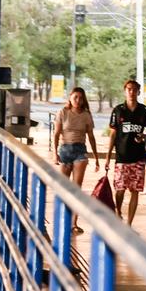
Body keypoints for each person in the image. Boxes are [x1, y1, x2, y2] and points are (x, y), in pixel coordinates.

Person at [105, 80, 146, 225]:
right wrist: (109, 156)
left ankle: (129, 224)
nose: (131, 92)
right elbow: (113, 134)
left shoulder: (144, 111)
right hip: (121, 157)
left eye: (135, 90)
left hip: (139, 158)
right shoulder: (118, 110)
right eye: (129, 89)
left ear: (139, 92)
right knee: (120, 189)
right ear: (124, 91)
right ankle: (118, 211)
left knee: (135, 191)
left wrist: (144, 136)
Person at [53, 87, 99, 233]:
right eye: (75, 97)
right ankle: (61, 219)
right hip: (65, 150)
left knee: (76, 189)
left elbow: (91, 137)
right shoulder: (63, 113)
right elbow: (56, 134)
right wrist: (55, 154)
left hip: (80, 151)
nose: (78, 100)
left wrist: (96, 157)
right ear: (70, 98)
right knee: (64, 188)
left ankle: (74, 222)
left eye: (81, 98)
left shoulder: (86, 115)